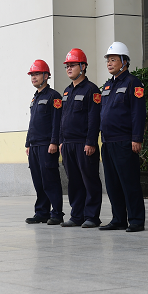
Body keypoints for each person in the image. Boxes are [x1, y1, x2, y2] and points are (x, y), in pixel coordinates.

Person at [98, 42, 147, 233]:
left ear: (124, 61)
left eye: (113, 60)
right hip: (108, 141)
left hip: (125, 140)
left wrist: (137, 138)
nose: (109, 63)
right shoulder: (108, 85)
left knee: (129, 182)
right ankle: (118, 219)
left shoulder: (133, 83)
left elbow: (138, 113)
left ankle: (136, 220)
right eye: (108, 60)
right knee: (112, 184)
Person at [59, 48, 102, 228]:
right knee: (74, 181)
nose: (69, 68)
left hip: (84, 143)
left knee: (89, 180)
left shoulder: (92, 90)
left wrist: (91, 141)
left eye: (72, 65)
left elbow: (94, 118)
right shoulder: (67, 91)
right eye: (67, 66)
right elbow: (63, 118)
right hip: (68, 144)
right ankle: (77, 215)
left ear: (83, 66)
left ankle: (92, 216)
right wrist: (61, 141)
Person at [24, 59, 64, 225]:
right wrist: (28, 143)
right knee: (38, 181)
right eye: (32, 74)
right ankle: (42, 212)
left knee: (50, 180)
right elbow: (32, 122)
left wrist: (54, 142)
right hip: (34, 145)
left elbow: (57, 121)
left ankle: (56, 213)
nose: (33, 77)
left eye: (37, 74)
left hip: (47, 145)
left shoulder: (53, 96)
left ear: (46, 76)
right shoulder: (35, 97)